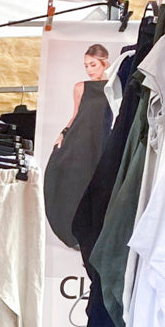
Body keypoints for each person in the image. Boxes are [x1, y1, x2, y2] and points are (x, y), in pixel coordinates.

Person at [42, 43, 112, 245]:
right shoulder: (80, 87)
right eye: (86, 66)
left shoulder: (115, 85)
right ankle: (74, 233)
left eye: (93, 65)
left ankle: (96, 236)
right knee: (75, 183)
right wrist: (64, 133)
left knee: (98, 184)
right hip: (80, 140)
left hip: (102, 140)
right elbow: (75, 115)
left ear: (104, 62)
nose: (89, 70)